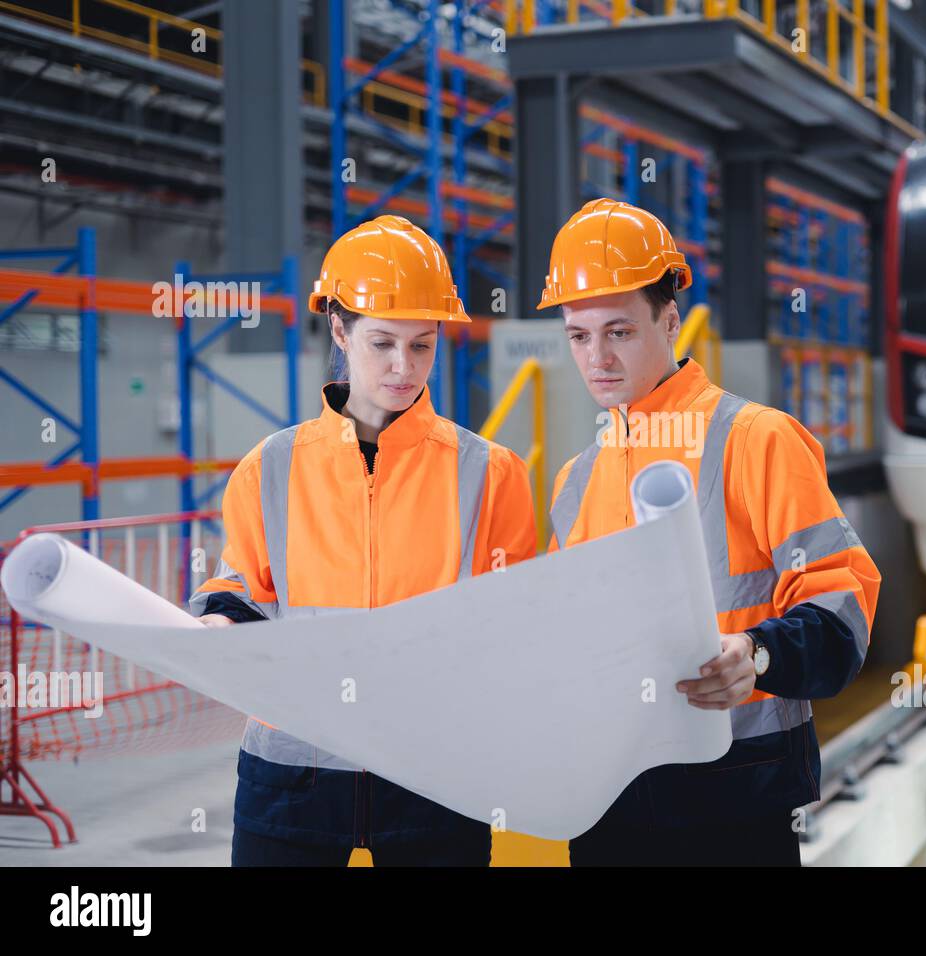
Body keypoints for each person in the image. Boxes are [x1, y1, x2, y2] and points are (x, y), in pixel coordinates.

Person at [540, 198, 882, 866]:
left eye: (619, 331)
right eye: (578, 336)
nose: (597, 358)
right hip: (607, 798)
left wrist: (756, 655)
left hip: (735, 799)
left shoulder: (755, 439)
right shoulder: (574, 479)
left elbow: (844, 608)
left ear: (670, 322)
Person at [189, 215, 535, 866]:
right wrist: (219, 621)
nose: (404, 368)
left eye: (423, 345)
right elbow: (241, 582)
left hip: (436, 778)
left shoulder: (490, 471)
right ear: (340, 331)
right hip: (293, 777)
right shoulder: (272, 465)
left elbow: (514, 619)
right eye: (383, 343)